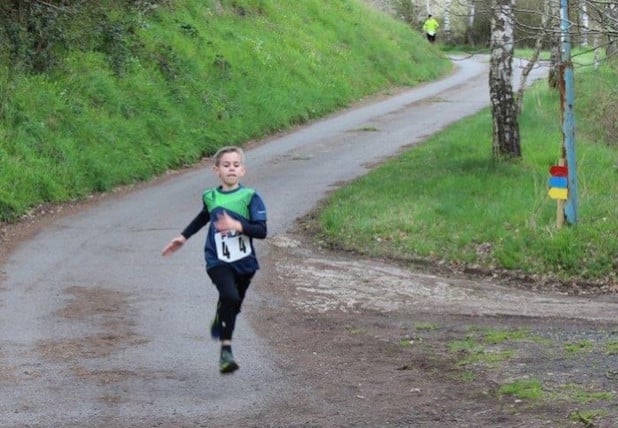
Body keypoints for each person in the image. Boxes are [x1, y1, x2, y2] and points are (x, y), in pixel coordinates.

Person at [161, 146, 267, 374]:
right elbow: (202, 218)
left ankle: (221, 316)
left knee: (233, 304)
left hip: (245, 262)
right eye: (226, 165)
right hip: (217, 259)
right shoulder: (211, 197)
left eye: (235, 165)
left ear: (243, 170)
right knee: (229, 296)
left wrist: (238, 225)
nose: (231, 168)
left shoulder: (250, 197)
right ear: (216, 170)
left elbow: (261, 231)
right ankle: (226, 352)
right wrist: (183, 236)